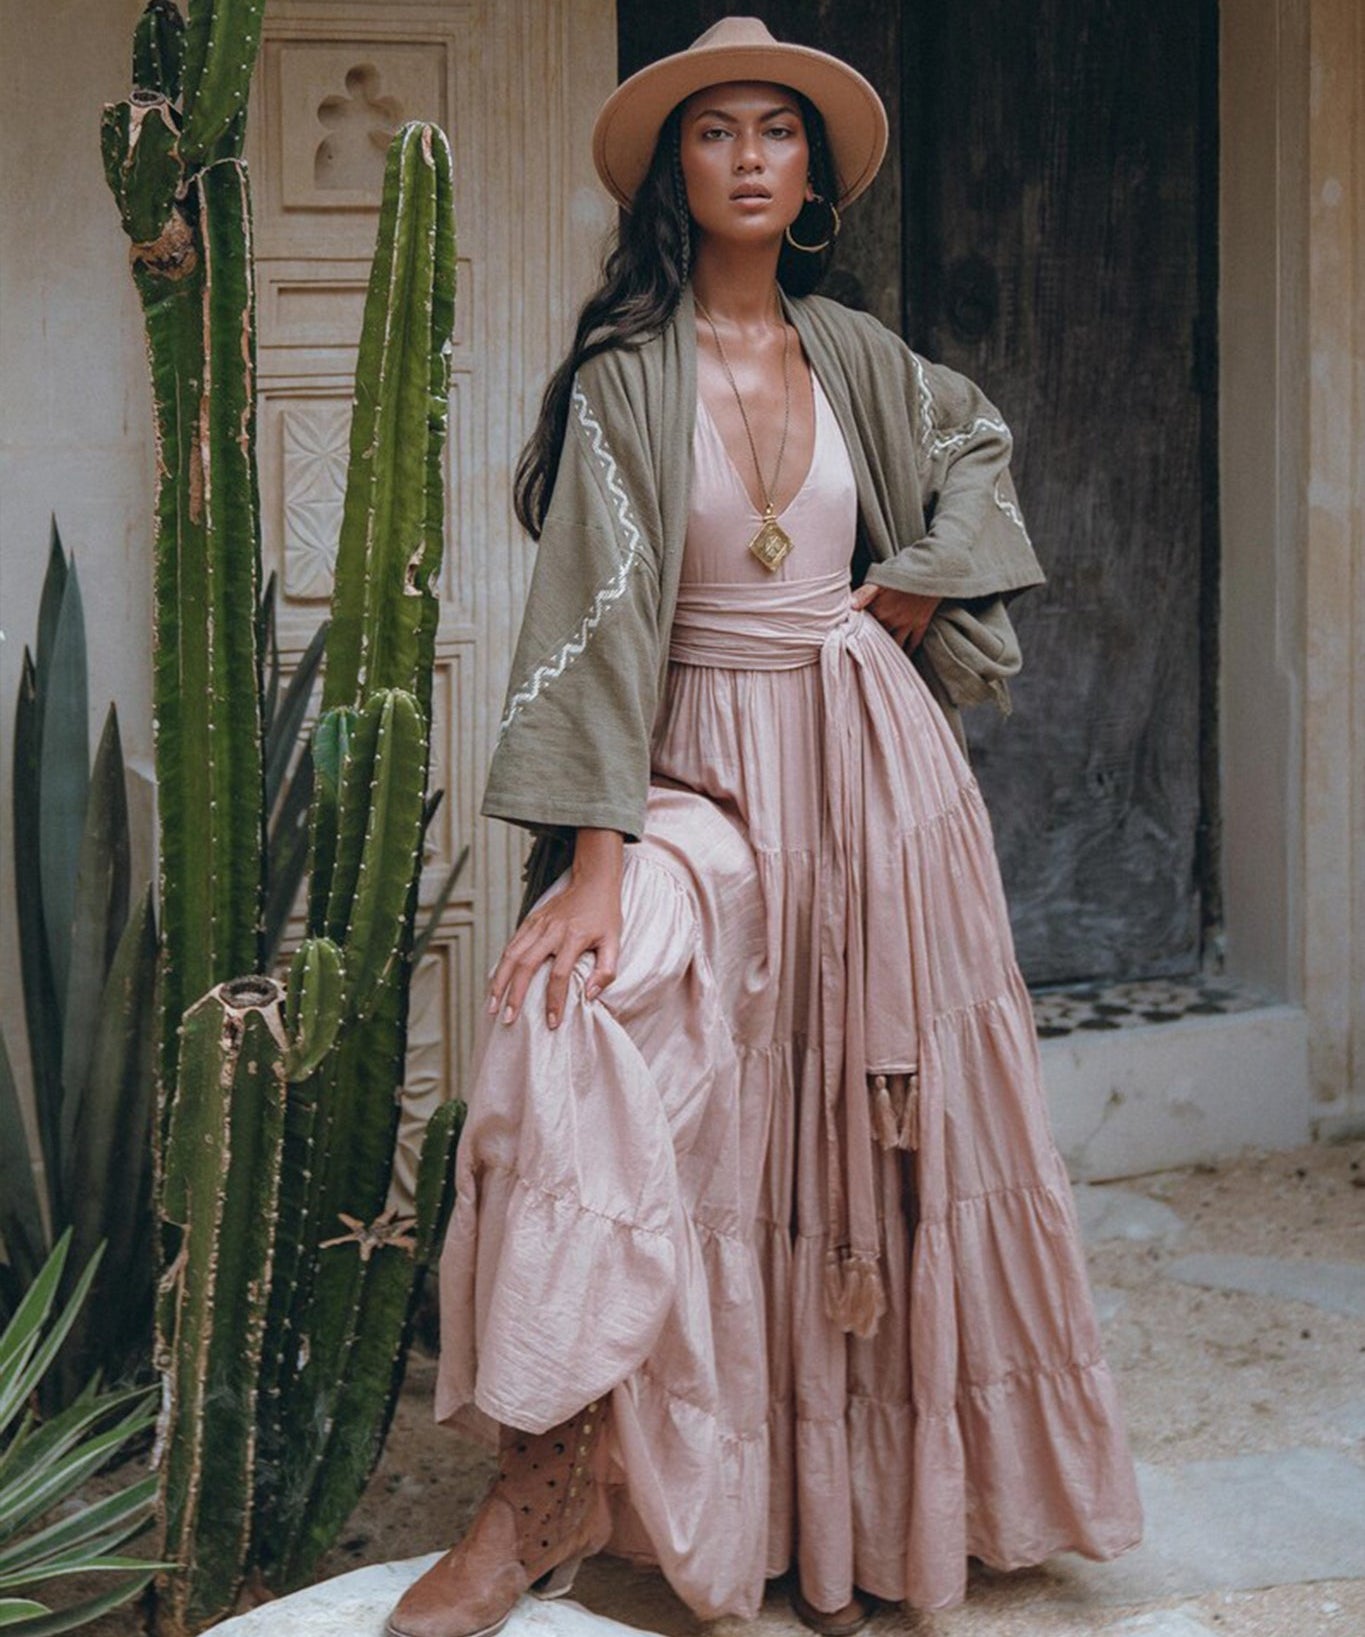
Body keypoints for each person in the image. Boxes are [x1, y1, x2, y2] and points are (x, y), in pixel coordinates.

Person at [386, 18, 1143, 1637]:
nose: (744, 154)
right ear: (676, 169)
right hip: (693, 778)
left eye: (773, 132)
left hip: (875, 782)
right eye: (714, 130)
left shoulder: (859, 357)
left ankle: (857, 1512)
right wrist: (596, 864)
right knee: (579, 1010)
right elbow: (591, 622)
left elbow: (979, 462)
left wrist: (911, 583)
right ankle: (540, 1485)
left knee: (874, 1141)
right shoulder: (625, 379)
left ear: (809, 177)